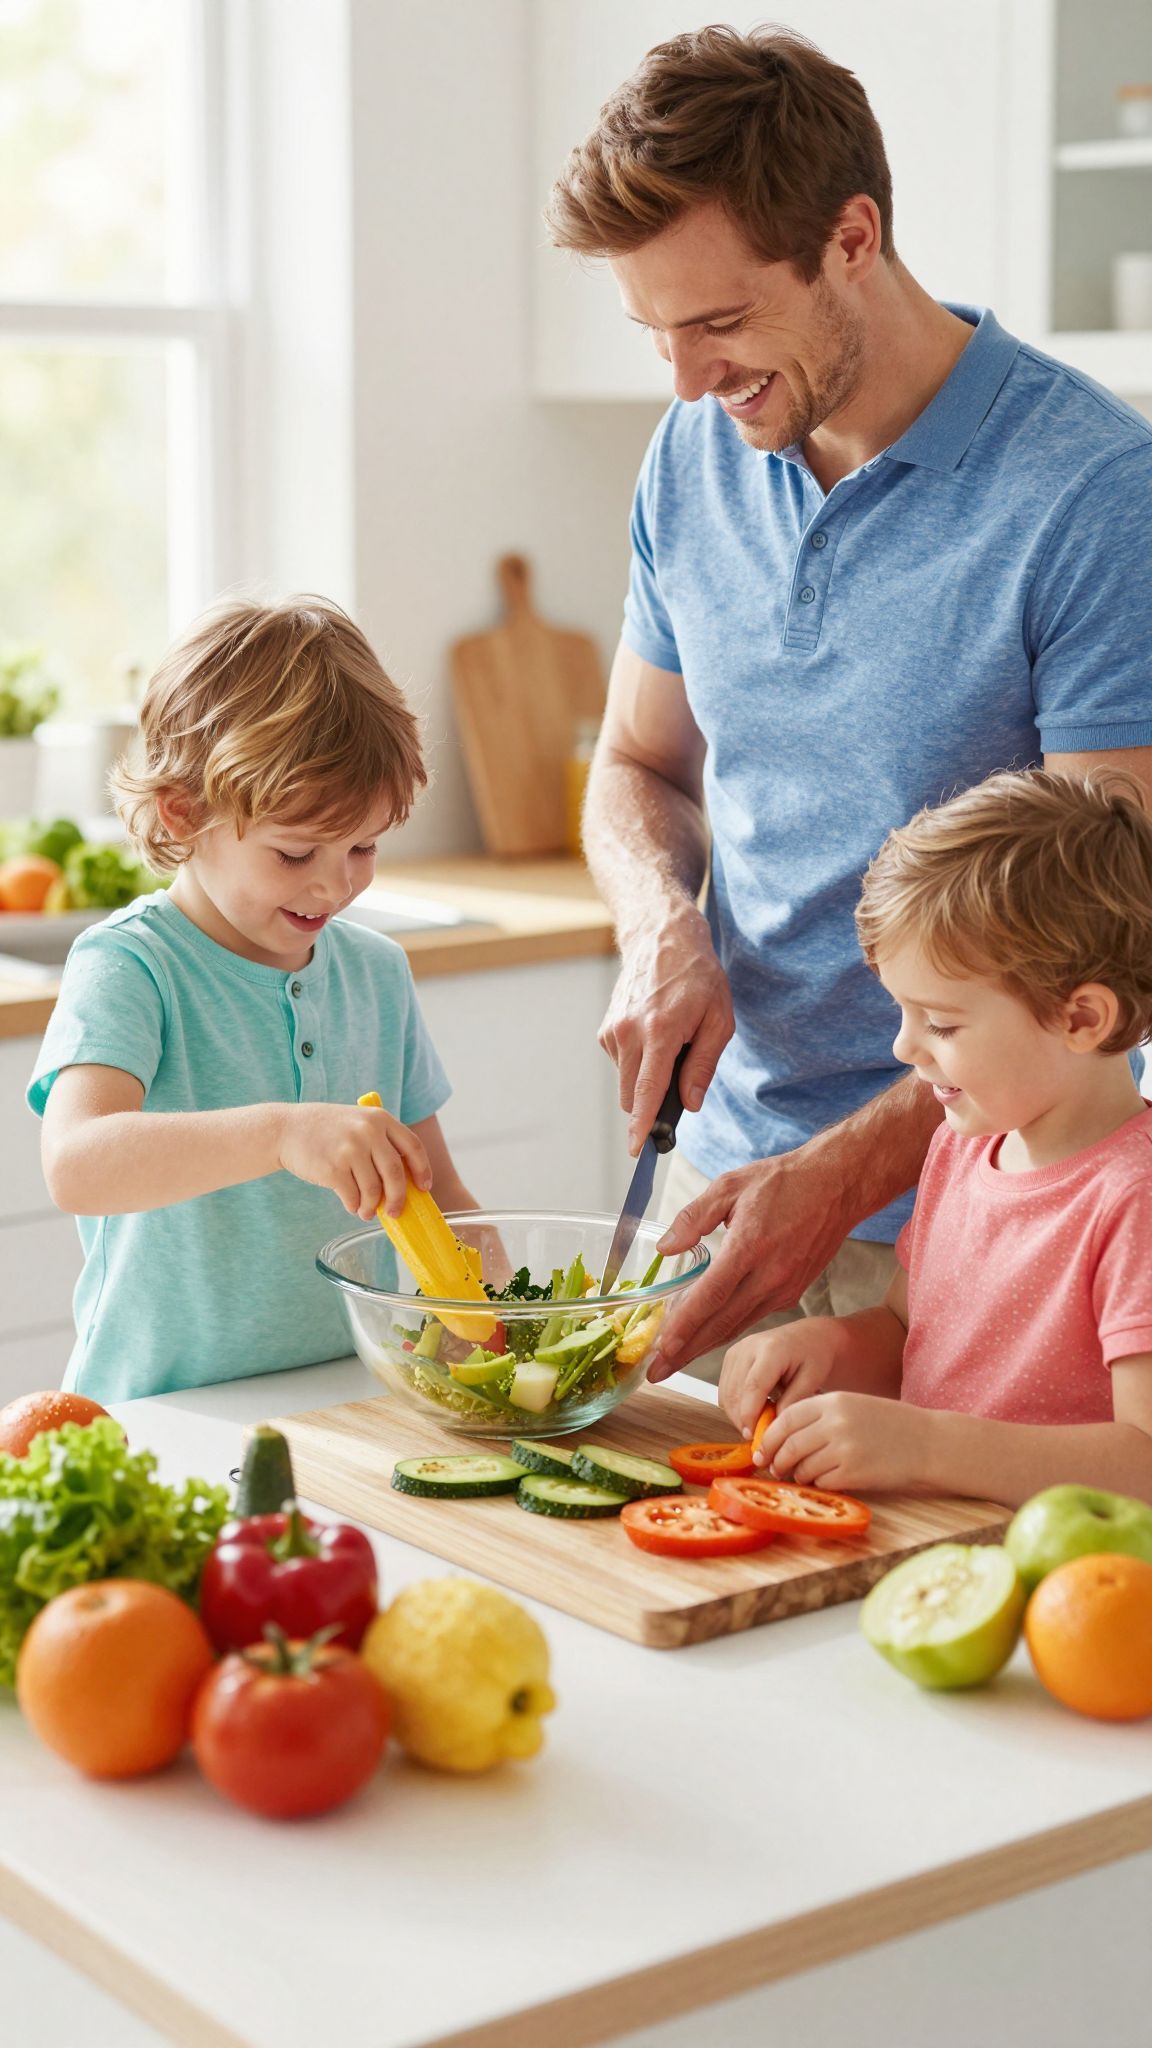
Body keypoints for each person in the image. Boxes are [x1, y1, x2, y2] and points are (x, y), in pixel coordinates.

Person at [545, 24, 1152, 1381]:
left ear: (854, 238)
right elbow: (639, 764)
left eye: (718, 321)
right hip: (717, 1190)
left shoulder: (1094, 494)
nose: (690, 381)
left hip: (980, 1222)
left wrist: (837, 1175)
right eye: (656, 334)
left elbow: (1116, 929)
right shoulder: (692, 456)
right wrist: (659, 931)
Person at [30, 596, 478, 1402]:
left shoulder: (376, 972)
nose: (335, 884)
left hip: (348, 1397)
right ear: (186, 811)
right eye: (296, 851)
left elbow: (439, 1189)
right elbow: (75, 1166)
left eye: (364, 846)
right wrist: (280, 1131)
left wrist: (507, 1319)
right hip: (159, 1409)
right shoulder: (132, 966)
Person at [718, 770, 1152, 1508]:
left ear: (1082, 1019)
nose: (903, 1048)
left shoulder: (1134, 1199)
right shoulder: (964, 1147)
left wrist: (922, 1447)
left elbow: (1143, 1461)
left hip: (1069, 1587)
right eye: (903, 1013)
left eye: (941, 1023)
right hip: (936, 1561)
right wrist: (822, 1351)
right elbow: (904, 1328)